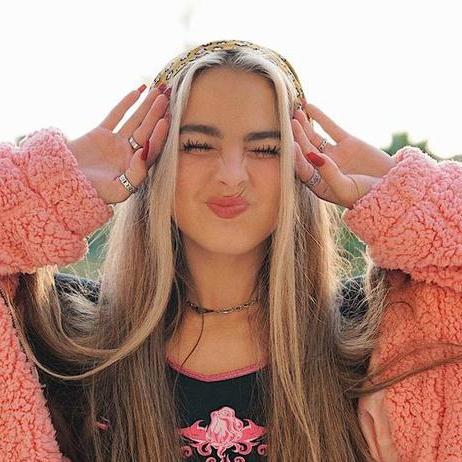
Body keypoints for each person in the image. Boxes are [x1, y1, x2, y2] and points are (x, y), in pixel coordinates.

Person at [0, 39, 460, 462]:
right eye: (198, 145)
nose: (232, 176)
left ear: (300, 165)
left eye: (266, 149)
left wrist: (406, 196)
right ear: (153, 159)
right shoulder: (63, 342)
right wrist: (45, 185)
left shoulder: (376, 342)